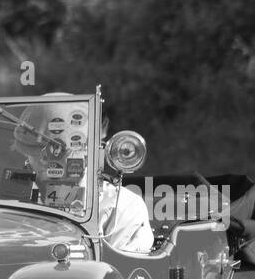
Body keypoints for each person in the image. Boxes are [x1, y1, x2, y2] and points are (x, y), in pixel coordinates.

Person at [11, 96, 154, 254]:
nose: (44, 160)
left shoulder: (120, 207)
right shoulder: (7, 201)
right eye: (33, 151)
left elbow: (118, 271)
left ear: (84, 152)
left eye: (56, 152)